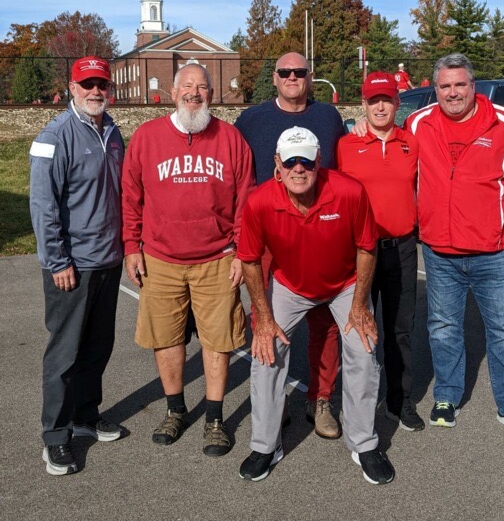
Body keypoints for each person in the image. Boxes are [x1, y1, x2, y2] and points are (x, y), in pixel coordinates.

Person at [236, 127, 394, 485]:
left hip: (344, 284)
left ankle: (363, 443)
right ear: (277, 164)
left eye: (305, 159)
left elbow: (366, 248)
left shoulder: (349, 192)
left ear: (318, 160)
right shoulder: (260, 201)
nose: (298, 167)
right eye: (289, 160)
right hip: (290, 285)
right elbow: (248, 259)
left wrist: (359, 306)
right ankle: (265, 446)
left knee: (364, 347)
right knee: (266, 351)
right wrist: (262, 317)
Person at [406, 52, 504, 437]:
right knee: (443, 326)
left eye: (460, 85)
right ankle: (447, 396)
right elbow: (390, 155)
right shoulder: (418, 124)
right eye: (445, 86)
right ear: (434, 88)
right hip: (439, 250)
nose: (453, 93)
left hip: (495, 250)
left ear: (474, 86)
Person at [122, 64, 254, 457]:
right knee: (166, 338)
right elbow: (130, 197)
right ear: (172, 91)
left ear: (212, 95)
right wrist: (131, 246)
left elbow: (246, 201)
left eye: (202, 88)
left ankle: (215, 419)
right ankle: (175, 410)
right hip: (160, 258)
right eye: (188, 87)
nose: (194, 94)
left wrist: (241, 252)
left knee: (219, 340)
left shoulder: (230, 139)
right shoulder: (147, 138)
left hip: (217, 257)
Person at [235, 51, 345, 439]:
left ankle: (320, 399)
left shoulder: (328, 118)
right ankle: (272, 401)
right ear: (276, 78)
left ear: (309, 77)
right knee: (267, 321)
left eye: (300, 72)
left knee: (326, 323)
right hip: (268, 234)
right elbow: (236, 174)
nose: (292, 77)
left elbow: (342, 170)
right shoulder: (252, 120)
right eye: (285, 72)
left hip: (320, 230)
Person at [30, 57, 124, 476]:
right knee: (64, 354)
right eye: (87, 84)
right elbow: (42, 204)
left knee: (97, 347)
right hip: (72, 266)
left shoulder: (113, 131)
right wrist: (57, 260)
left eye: (101, 83)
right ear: (72, 87)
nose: (95, 91)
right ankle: (55, 437)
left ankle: (87, 415)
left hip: (109, 260)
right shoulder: (55, 135)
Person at [337, 72, 423, 432]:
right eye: (374, 100)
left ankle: (399, 401)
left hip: (401, 247)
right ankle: (357, 405)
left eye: (387, 99)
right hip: (360, 251)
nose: (381, 106)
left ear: (397, 102)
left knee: (400, 329)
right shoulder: (346, 145)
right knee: (359, 329)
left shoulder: (411, 143)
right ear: (364, 104)